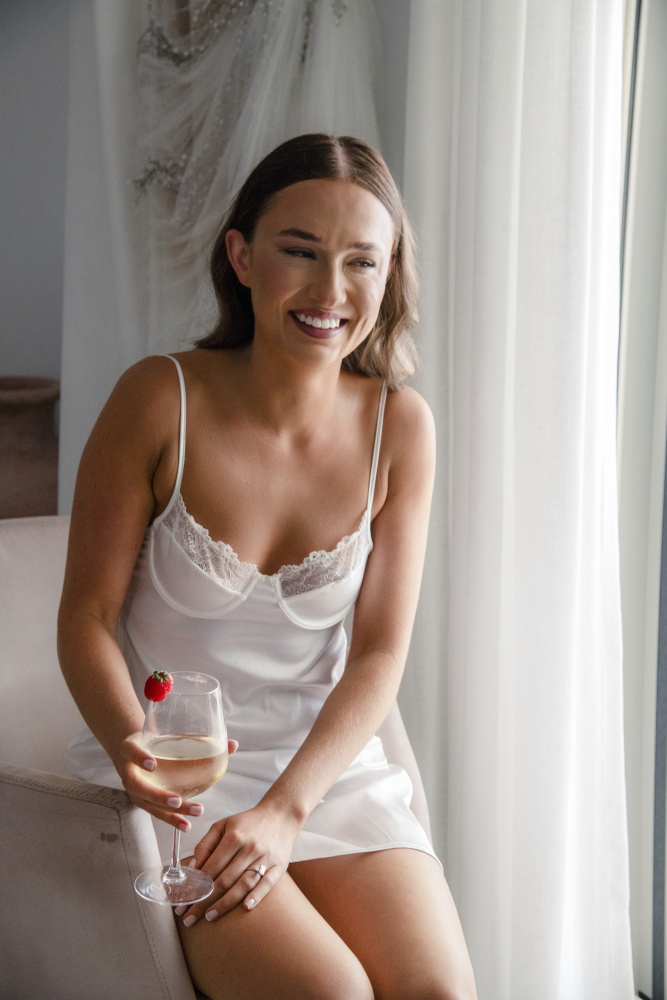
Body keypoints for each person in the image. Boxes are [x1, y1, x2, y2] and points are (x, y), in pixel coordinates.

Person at [58, 133, 477, 1000]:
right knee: (331, 993)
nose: (330, 291)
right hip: (181, 777)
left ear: (388, 277)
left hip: (323, 777)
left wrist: (288, 809)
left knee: (438, 992)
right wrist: (132, 744)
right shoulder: (157, 397)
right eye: (300, 251)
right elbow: (87, 617)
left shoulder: (400, 427)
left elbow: (378, 654)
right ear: (242, 257)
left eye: (361, 262)